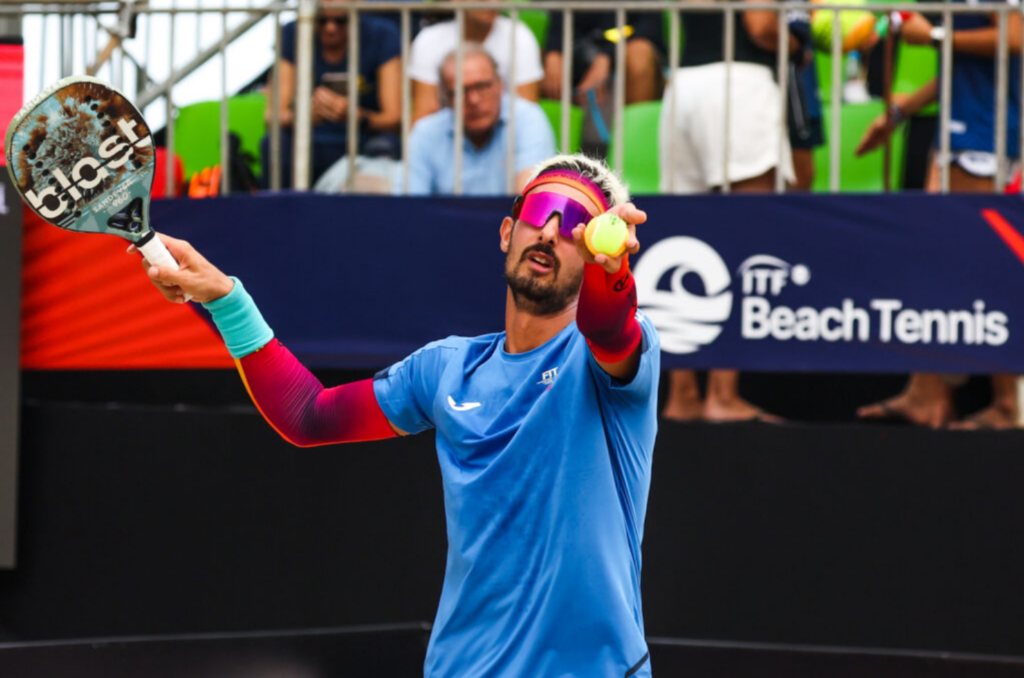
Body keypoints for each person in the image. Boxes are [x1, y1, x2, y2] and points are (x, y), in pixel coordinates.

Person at [134, 154, 661, 678]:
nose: (549, 232)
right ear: (507, 232)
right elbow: (309, 415)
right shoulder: (447, 369)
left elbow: (609, 328)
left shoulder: (608, 363)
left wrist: (612, 275)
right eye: (541, 211)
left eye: (576, 225)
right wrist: (227, 300)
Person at [854, 5, 1022, 429]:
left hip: (984, 137)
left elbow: (1016, 38)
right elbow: (962, 67)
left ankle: (1006, 402)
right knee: (942, 264)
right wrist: (902, 111)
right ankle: (927, 391)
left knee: (977, 265)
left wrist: (932, 37)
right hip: (961, 133)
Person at [658, 0, 800, 422]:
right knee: (744, 239)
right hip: (739, 85)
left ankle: (682, 395)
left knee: (685, 238)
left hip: (683, 85)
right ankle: (722, 394)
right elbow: (761, 25)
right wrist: (797, 45)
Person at [261, 7, 402, 189]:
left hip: (364, 139)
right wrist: (302, 117)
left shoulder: (383, 34)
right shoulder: (293, 32)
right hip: (309, 140)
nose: (330, 28)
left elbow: (395, 118)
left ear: (356, 12)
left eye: (341, 21)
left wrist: (357, 116)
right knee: (274, 142)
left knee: (386, 145)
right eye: (321, 20)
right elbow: (272, 116)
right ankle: (282, 206)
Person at [406, 45, 556, 195]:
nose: (474, 100)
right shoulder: (426, 133)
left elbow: (530, 199)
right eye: (460, 91)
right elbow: (409, 203)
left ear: (500, 84)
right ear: (446, 97)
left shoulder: (527, 119)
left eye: (482, 86)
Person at [408, 0, 543, 123]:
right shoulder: (429, 40)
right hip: (448, 134)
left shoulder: (519, 36)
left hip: (504, 135)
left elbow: (526, 117)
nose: (494, 2)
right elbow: (422, 117)